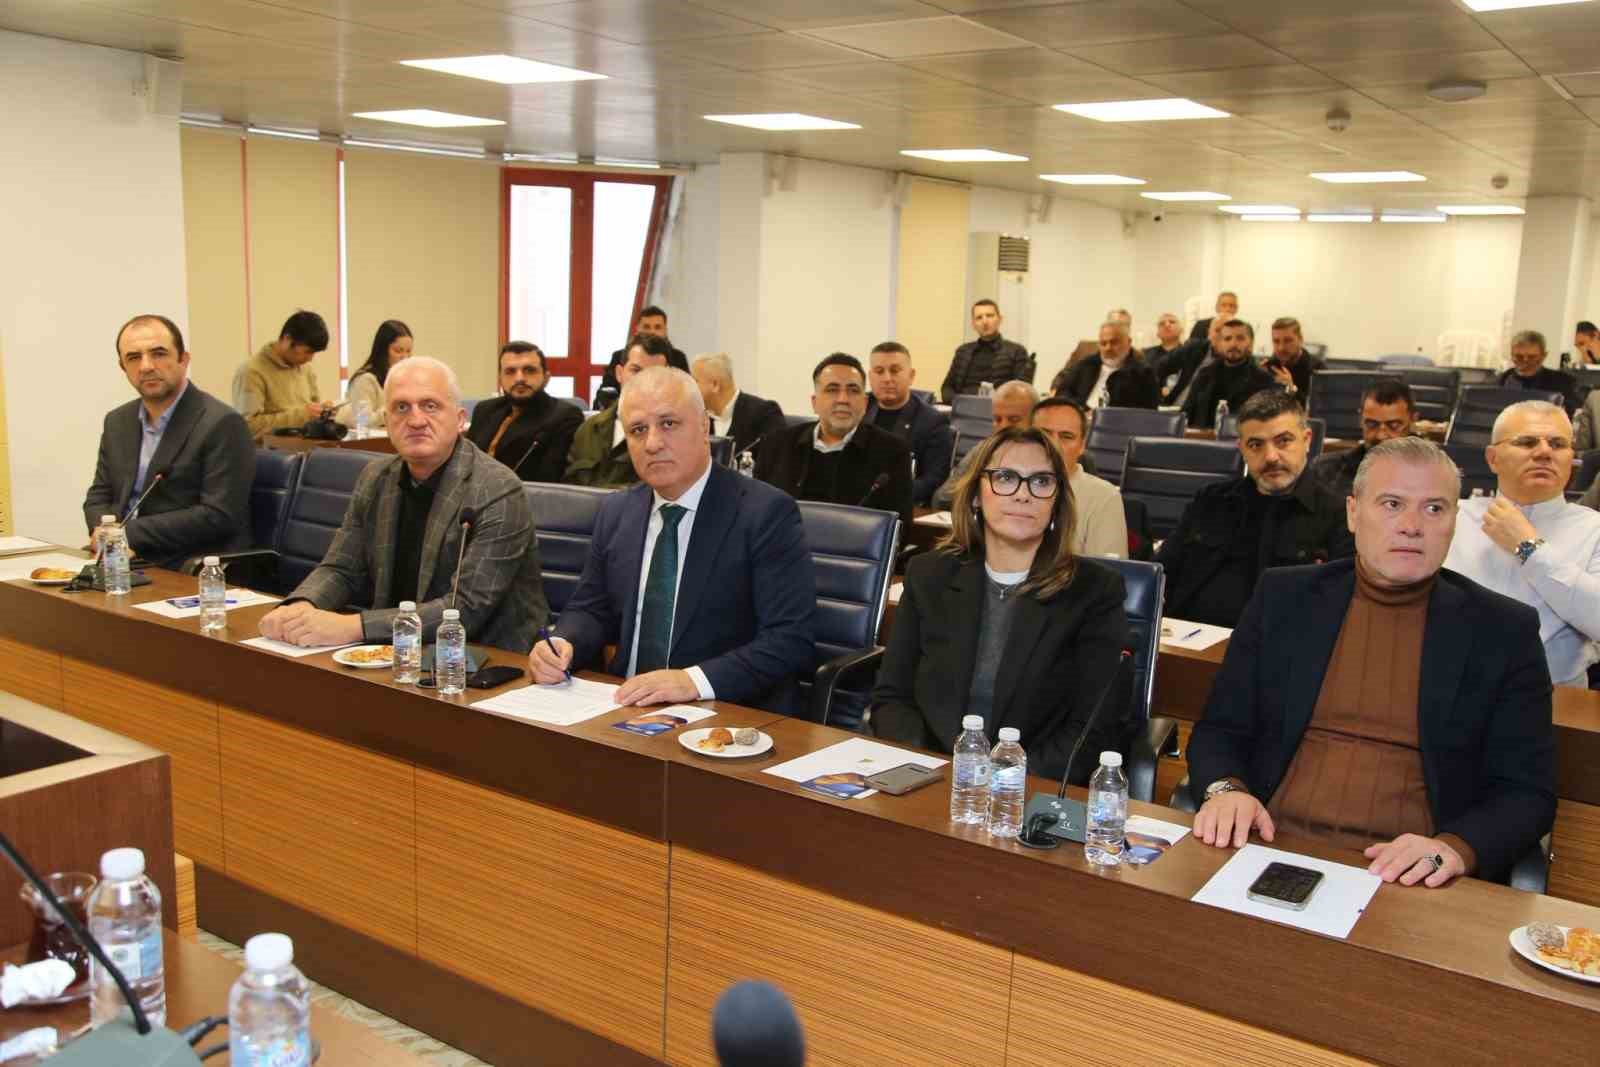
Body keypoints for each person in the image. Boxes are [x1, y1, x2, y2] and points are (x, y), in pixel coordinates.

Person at [1187, 437, 1556, 887]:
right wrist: (1226, 790)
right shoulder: (1284, 597)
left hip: (1411, 876)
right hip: (1267, 842)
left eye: (1434, 508)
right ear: (1353, 512)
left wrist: (1454, 848)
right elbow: (1220, 730)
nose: (1412, 526)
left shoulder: (1503, 631)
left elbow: (1526, 793)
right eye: (1392, 504)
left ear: (1454, 522)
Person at [530, 367, 816, 714]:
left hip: (723, 711)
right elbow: (591, 607)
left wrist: (692, 681)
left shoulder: (764, 513)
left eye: (668, 423)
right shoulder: (617, 510)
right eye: (638, 430)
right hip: (622, 704)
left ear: (704, 427)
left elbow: (790, 638)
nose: (652, 443)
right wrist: (562, 642)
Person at [871, 426, 1129, 785]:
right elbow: (892, 698)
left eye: (1041, 481)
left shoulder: (1095, 591)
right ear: (976, 494)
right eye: (1006, 477)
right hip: (931, 777)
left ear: (1056, 501)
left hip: (1031, 785)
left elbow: (1091, 730)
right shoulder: (929, 574)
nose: (1023, 494)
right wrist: (932, 770)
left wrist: (1005, 783)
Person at [258, 356, 547, 652]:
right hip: (395, 649)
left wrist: (351, 627)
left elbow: (465, 608)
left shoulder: (497, 489)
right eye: (401, 407)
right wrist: (301, 606)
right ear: (387, 421)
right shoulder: (375, 477)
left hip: (484, 655)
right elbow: (342, 568)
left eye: (430, 406)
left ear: (460, 419)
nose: (416, 420)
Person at [1158, 390, 1354, 627]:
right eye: (1256, 445)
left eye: (1283, 441)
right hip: (1181, 638)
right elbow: (1161, 573)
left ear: (1307, 440)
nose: (1270, 457)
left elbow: (1336, 612)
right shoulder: (1210, 501)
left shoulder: (1339, 517)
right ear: (1242, 448)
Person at [1443, 400, 1600, 688]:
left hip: (1555, 695)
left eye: (1557, 444)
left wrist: (1529, 547)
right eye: (1527, 442)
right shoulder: (1451, 518)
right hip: (1453, 687)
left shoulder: (1594, 528)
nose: (1544, 452)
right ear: (1493, 458)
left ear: (1571, 459)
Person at [82, 314, 254, 569]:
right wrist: (103, 531)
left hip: (185, 563)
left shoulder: (222, 422)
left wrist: (126, 534)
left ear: (183, 359)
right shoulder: (117, 421)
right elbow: (99, 495)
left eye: (159, 354)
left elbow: (219, 514)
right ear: (123, 367)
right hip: (120, 557)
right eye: (133, 357)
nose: (146, 366)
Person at [754, 353, 914, 530]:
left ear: (865, 403)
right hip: (783, 544)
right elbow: (757, 513)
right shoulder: (777, 445)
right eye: (832, 390)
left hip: (851, 546)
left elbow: (900, 529)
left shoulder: (892, 452)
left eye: (853, 390)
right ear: (814, 402)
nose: (843, 399)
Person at [466, 342, 583, 483]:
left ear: (546, 378)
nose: (519, 378)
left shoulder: (565, 416)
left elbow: (548, 481)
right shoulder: (485, 409)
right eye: (510, 372)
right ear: (500, 379)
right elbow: (465, 461)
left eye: (529, 370)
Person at [566, 334, 673, 487]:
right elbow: (569, 487)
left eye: (654, 374)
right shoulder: (589, 428)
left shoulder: (671, 433)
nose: (643, 380)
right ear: (619, 373)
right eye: (636, 370)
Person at [1032, 397, 1128, 558]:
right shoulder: (1002, 486)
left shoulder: (1103, 497)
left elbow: (1107, 570)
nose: (1054, 444)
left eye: (1066, 436)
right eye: (1044, 434)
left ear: (1082, 446)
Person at [864, 342, 953, 507]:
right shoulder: (859, 409)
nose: (887, 379)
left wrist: (887, 495)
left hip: (903, 506)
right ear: (870, 377)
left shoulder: (933, 422)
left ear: (911, 376)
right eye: (879, 371)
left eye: (895, 371)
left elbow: (934, 479)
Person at [930, 381, 1038, 508]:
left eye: (1014, 420)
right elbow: (942, 499)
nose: (1003, 426)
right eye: (997, 419)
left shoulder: (1045, 458)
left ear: (1035, 420)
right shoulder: (982, 450)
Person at [1309, 380, 1416, 499]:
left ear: (1413, 420)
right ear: (1360, 419)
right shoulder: (1325, 472)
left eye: (1393, 426)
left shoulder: (1431, 473)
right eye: (1371, 424)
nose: (1381, 435)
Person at [236, 310, 331, 437]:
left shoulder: (305, 369)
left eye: (313, 353)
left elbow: (312, 411)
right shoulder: (252, 371)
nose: (310, 359)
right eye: (307, 351)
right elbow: (249, 426)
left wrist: (323, 412)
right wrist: (302, 415)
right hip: (271, 449)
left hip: (305, 446)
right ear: (287, 339)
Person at [1182, 319, 1275, 430]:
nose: (1233, 344)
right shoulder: (1205, 375)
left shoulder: (1263, 379)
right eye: (1227, 339)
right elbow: (1186, 413)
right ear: (1220, 343)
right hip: (1202, 437)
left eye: (1240, 338)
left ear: (1251, 343)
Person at [690, 352, 785, 454]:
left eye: (694, 381)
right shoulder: (697, 419)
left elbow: (778, 458)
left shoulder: (766, 413)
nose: (690, 389)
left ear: (715, 385)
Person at [594, 305, 689, 408]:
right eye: (646, 327)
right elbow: (605, 394)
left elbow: (686, 395)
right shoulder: (619, 356)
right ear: (637, 328)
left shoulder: (678, 358)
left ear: (665, 330)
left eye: (657, 327)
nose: (652, 332)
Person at [1051, 320, 1160, 410]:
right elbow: (1063, 393)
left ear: (1128, 341)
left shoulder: (1143, 373)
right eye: (1103, 343)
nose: (1108, 348)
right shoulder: (1085, 365)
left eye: (1114, 342)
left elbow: (1147, 411)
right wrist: (1081, 410)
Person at [941, 299, 1031, 402]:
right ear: (973, 324)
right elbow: (947, 387)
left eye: (989, 316)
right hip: (962, 406)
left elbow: (1021, 393)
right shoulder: (963, 351)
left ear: (1000, 319)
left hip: (997, 408)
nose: (985, 322)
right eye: (979, 318)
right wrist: (959, 402)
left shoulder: (1016, 351)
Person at [337, 320, 411, 429]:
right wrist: (393, 408)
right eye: (398, 351)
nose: (405, 357)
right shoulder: (365, 379)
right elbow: (362, 422)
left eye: (408, 351)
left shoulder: (403, 379)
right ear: (383, 350)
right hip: (372, 438)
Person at [1499, 329, 1580, 415]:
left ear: (1544, 356)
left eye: (1532, 357)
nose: (1525, 361)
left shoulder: (1563, 382)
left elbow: (1573, 414)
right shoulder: (1502, 381)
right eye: (1519, 356)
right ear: (1511, 355)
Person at [1156, 315, 1222, 408]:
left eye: (1226, 333)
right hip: (1174, 406)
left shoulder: (1231, 362)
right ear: (1209, 332)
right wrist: (1159, 391)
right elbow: (1160, 367)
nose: (1221, 335)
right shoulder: (1193, 347)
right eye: (1218, 330)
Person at [1262, 317, 1324, 398]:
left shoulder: (1318, 369)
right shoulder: (1271, 366)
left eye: (1288, 341)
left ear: (1300, 339)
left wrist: (1291, 389)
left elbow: (1319, 404)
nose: (1281, 348)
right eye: (1276, 341)